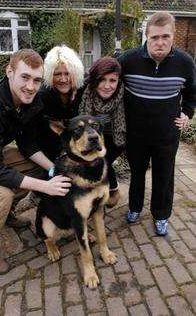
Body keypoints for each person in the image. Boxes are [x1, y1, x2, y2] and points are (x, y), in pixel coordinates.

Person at [0, 49, 71, 275]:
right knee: (0, 195)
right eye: (25, 77)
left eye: (37, 80)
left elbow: (27, 146)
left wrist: (53, 169)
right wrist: (45, 187)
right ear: (9, 72)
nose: (31, 86)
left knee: (38, 166)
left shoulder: (31, 101)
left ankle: (3, 214)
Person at [118, 12, 196, 235]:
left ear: (173, 36)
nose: (160, 42)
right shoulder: (128, 60)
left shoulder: (185, 63)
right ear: (146, 37)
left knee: (164, 175)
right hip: (136, 133)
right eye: (154, 37)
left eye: (165, 36)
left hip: (167, 134)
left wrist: (187, 114)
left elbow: (192, 93)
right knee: (137, 173)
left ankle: (161, 215)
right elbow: (109, 84)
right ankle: (134, 207)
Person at [79, 57, 126, 207]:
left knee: (101, 160)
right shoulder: (84, 93)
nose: (107, 86)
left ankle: (113, 189)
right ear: (94, 80)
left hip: (115, 138)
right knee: (90, 160)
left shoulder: (125, 95)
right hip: (92, 135)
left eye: (112, 80)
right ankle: (95, 190)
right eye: (102, 80)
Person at [35, 45, 84, 161]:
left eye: (67, 73)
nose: (63, 79)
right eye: (57, 74)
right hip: (49, 154)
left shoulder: (82, 91)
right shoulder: (42, 96)